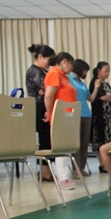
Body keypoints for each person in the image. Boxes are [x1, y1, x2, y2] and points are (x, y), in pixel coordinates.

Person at [43, 51, 77, 190]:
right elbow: (49, 95)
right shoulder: (54, 74)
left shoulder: (64, 76)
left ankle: (66, 176)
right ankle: (63, 177)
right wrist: (50, 112)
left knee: (67, 147)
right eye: (71, 64)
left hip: (67, 117)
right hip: (59, 117)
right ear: (64, 61)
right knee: (61, 147)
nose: (71, 68)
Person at [25, 43, 55, 182]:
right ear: (41, 57)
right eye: (49, 59)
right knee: (44, 139)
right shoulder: (34, 71)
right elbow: (46, 87)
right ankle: (44, 171)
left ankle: (47, 169)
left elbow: (46, 90)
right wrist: (45, 91)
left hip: (45, 104)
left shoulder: (43, 71)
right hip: (39, 107)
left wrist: (45, 91)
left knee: (48, 139)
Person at [89, 61, 111, 166]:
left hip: (109, 117)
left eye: (109, 71)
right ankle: (103, 164)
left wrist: (109, 96)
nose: (107, 73)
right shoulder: (95, 83)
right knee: (100, 140)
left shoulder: (106, 84)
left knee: (109, 140)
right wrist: (110, 96)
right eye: (105, 71)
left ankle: (108, 164)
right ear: (98, 71)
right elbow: (102, 97)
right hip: (100, 116)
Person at [68, 58, 93, 175]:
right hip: (75, 114)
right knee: (76, 144)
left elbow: (90, 98)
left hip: (86, 114)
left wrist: (97, 87)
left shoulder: (81, 83)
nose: (86, 74)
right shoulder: (69, 79)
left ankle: (81, 168)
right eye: (85, 71)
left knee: (84, 143)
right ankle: (75, 169)